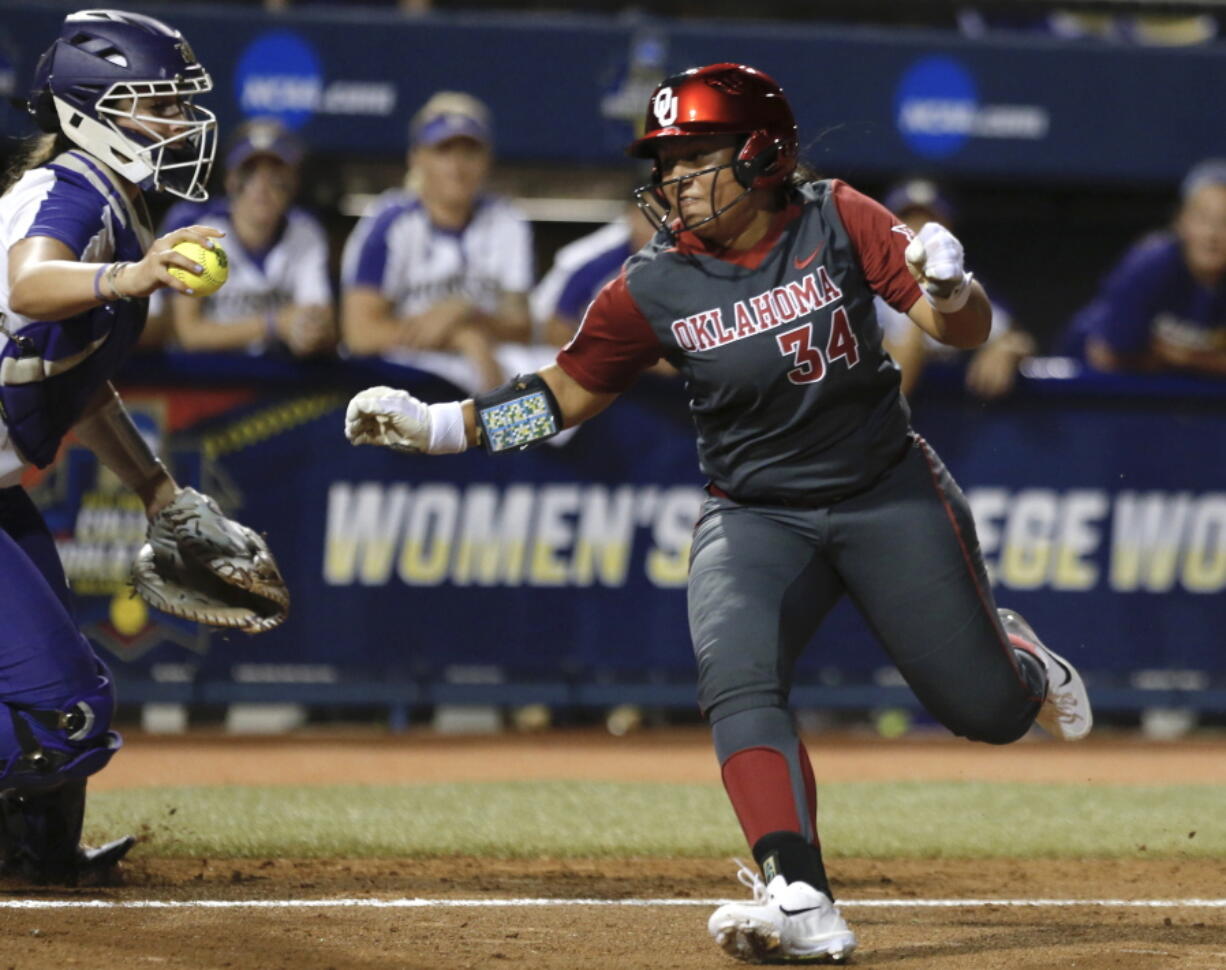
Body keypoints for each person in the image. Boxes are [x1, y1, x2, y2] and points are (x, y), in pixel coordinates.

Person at [343, 63, 1093, 963]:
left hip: (884, 491)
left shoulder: (837, 215)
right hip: (757, 512)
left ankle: (1021, 667)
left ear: (762, 153)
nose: (672, 183)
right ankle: (800, 894)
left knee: (986, 712)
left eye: (695, 159)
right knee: (735, 673)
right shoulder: (654, 283)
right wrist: (441, 429)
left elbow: (956, 335)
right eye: (665, 163)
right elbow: (565, 391)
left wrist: (948, 291)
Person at [0, 9, 224, 883]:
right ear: (95, 113)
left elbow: (78, 384)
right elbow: (29, 279)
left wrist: (157, 489)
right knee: (65, 714)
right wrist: (127, 276)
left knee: (65, 690)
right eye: (158, 105)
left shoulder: (115, 201)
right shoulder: (75, 189)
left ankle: (37, 860)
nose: (179, 124)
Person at [341, 91, 546, 393]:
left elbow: (521, 330)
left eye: (469, 152)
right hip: (405, 368)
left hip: (483, 359)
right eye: (444, 150)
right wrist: (461, 337)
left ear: (487, 158)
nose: (457, 165)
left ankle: (511, 439)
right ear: (417, 157)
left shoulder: (507, 223)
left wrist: (468, 314)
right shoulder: (389, 223)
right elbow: (360, 335)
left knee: (549, 379)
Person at [155, 117, 335, 357]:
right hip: (199, 380)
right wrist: (274, 325)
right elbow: (185, 333)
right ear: (230, 180)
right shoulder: (193, 227)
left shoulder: (306, 233)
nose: (261, 186)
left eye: (276, 176)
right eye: (249, 173)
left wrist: (312, 333)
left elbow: (322, 320)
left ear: (293, 182)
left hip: (276, 379)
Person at [1063, 158, 1226, 377]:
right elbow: (1106, 355)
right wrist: (1204, 360)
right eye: (1202, 219)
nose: (1212, 235)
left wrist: (1182, 357)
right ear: (1180, 222)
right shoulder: (1151, 262)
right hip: (1087, 384)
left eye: (1224, 222)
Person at [877, 178, 1035, 399]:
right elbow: (896, 388)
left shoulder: (961, 284)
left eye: (930, 219)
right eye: (908, 217)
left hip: (954, 423)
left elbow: (1018, 337)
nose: (918, 229)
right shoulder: (866, 289)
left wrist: (1006, 349)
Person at [532, 202, 656, 346]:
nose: (660, 227)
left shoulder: (683, 254)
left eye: (672, 216)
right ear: (632, 216)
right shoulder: (595, 259)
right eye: (652, 217)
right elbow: (555, 326)